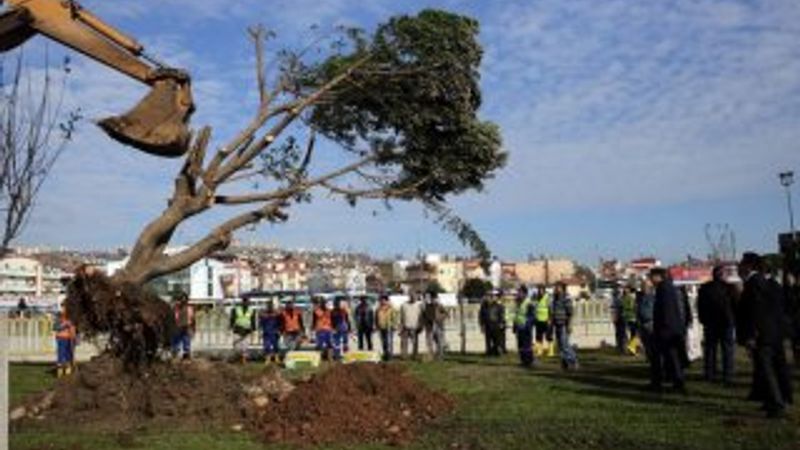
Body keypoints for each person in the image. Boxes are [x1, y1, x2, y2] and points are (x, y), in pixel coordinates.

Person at [737, 252, 793, 418]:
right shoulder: (767, 282)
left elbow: (755, 312)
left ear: (749, 266)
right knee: (771, 368)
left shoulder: (754, 283)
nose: (739, 267)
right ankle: (772, 400)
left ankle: (776, 405)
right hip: (773, 333)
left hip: (763, 334)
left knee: (767, 370)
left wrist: (752, 335)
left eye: (742, 263)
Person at [649, 268, 687, 393]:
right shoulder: (668, 288)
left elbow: (666, 311)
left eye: (651, 277)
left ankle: (675, 383)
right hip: (671, 329)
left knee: (670, 357)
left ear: (658, 276)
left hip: (667, 330)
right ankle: (670, 382)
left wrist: (663, 329)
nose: (650, 280)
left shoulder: (664, 289)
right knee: (670, 357)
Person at [697, 265, 737, 384]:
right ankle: (728, 374)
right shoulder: (730, 288)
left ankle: (709, 373)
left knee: (710, 349)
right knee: (727, 350)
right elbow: (735, 305)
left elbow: (700, 306)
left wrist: (703, 319)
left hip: (710, 322)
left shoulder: (705, 288)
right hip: (726, 322)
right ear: (722, 275)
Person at [552, 282, 579, 370]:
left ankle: (573, 360)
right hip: (557, 324)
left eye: (558, 287)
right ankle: (565, 363)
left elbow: (570, 313)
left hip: (564, 324)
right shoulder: (555, 298)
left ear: (562, 288)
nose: (556, 289)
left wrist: (569, 325)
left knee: (564, 344)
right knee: (560, 345)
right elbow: (553, 312)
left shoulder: (566, 298)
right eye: (555, 287)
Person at [512, 286, 536, 367]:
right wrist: (515, 325)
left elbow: (532, 316)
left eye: (520, 292)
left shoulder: (529, 303)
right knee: (520, 345)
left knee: (527, 345)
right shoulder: (518, 302)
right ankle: (523, 360)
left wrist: (527, 324)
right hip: (519, 327)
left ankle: (529, 361)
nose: (519, 294)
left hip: (526, 327)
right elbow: (516, 315)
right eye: (518, 292)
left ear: (525, 293)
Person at [422, 292, 449, 360]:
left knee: (439, 341)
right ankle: (430, 356)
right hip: (430, 327)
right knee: (429, 342)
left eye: (435, 298)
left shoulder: (440, 306)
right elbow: (424, 316)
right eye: (433, 299)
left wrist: (440, 318)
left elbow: (446, 314)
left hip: (439, 326)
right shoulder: (428, 306)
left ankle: (440, 356)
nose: (434, 300)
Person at [229, 297, 256, 363]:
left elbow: (253, 321)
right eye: (244, 302)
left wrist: (254, 330)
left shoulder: (251, 310)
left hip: (247, 330)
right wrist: (230, 328)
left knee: (245, 345)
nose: (246, 303)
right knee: (237, 346)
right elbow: (232, 319)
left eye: (247, 302)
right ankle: (239, 356)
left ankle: (243, 359)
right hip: (238, 329)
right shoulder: (236, 309)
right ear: (242, 302)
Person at [636, 279, 657, 365]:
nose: (644, 288)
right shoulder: (640, 297)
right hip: (642, 323)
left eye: (646, 286)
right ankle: (649, 357)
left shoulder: (653, 297)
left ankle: (653, 359)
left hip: (650, 322)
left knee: (652, 342)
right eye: (643, 286)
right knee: (645, 342)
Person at [53, 303, 77, 377]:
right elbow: (55, 327)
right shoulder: (59, 317)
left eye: (66, 307)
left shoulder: (72, 317)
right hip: (61, 338)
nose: (64, 309)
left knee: (69, 354)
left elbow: (73, 327)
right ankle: (60, 371)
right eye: (63, 307)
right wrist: (65, 324)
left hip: (70, 338)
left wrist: (74, 336)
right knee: (61, 354)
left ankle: (68, 371)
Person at [171, 291, 195, 360]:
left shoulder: (189, 308)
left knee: (186, 340)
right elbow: (172, 318)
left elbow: (192, 319)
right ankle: (175, 352)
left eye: (184, 300)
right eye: (179, 300)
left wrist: (193, 328)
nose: (181, 302)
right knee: (176, 340)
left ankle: (186, 353)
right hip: (177, 327)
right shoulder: (175, 308)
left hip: (187, 326)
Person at [399, 294, 423, 359]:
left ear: (416, 297)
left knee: (415, 343)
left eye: (414, 296)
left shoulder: (419, 305)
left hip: (415, 326)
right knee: (404, 343)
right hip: (405, 327)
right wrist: (401, 326)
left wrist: (420, 325)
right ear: (409, 297)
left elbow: (421, 316)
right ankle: (404, 356)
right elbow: (401, 316)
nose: (413, 298)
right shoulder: (404, 305)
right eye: (412, 296)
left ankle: (415, 356)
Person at [375, 295, 398, 361]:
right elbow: (376, 318)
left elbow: (394, 317)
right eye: (381, 300)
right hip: (381, 327)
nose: (382, 301)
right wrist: (376, 326)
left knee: (389, 342)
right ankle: (385, 354)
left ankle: (390, 356)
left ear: (387, 300)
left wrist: (394, 325)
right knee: (383, 342)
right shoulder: (378, 309)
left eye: (384, 300)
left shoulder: (391, 308)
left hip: (389, 327)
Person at [484, 290, 506, 357]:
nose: (491, 298)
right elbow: (483, 315)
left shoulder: (498, 306)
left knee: (496, 340)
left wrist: (502, 323)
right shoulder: (485, 306)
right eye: (490, 296)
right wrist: (482, 324)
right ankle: (489, 352)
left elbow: (501, 315)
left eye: (493, 296)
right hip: (488, 325)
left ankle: (497, 351)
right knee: (488, 340)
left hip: (495, 324)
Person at [534, 287, 554, 358]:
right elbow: (535, 308)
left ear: (544, 291)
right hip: (538, 320)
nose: (540, 292)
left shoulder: (547, 298)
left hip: (546, 320)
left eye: (541, 291)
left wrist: (550, 319)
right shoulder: (537, 298)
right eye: (539, 291)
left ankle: (550, 351)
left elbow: (551, 309)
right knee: (539, 336)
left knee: (548, 336)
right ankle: (540, 351)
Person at [621, 287, 639, 355]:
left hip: (626, 317)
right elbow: (632, 307)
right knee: (635, 334)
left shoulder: (623, 298)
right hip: (632, 317)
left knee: (628, 334)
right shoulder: (630, 298)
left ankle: (629, 349)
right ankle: (632, 347)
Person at [611, 287, 628, 354]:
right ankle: (621, 347)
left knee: (621, 333)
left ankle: (622, 348)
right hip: (619, 318)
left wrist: (615, 316)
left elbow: (617, 309)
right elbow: (614, 309)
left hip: (621, 318)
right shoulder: (616, 299)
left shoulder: (617, 300)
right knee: (620, 333)